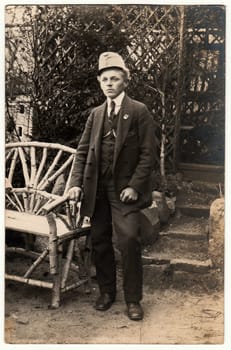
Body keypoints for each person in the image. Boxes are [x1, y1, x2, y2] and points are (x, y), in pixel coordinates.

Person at [68, 52, 156, 321]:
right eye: (104, 79)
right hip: (97, 190)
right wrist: (75, 185)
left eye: (115, 78)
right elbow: (82, 152)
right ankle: (107, 292)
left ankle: (133, 300)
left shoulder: (138, 111)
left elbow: (148, 154)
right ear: (99, 82)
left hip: (124, 191)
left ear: (125, 82)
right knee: (99, 240)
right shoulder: (95, 114)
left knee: (129, 239)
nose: (109, 83)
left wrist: (134, 186)